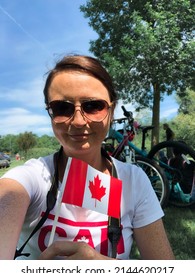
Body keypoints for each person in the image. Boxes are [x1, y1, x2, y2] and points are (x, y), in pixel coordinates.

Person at [0, 55, 174, 260]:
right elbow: (9, 196)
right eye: (62, 108)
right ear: (50, 112)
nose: (79, 122)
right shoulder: (30, 178)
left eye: (93, 106)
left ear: (112, 109)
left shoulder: (134, 181)